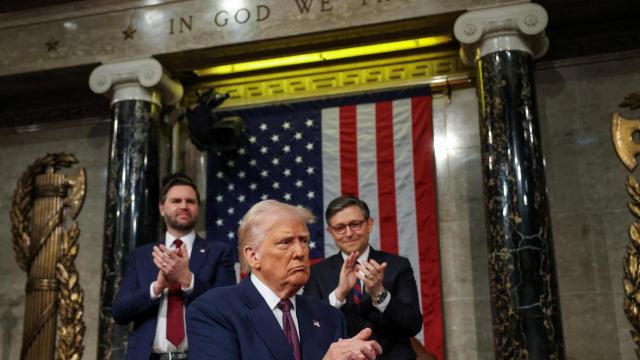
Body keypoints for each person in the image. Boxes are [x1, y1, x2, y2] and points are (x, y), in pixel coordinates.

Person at [186, 200, 383, 360]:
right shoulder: (214, 310)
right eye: (285, 242)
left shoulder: (330, 317)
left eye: (304, 241)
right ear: (253, 256)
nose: (300, 252)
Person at [112, 173, 236, 360]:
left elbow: (228, 308)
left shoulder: (219, 252)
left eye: (191, 201)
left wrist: (187, 279)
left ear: (198, 208)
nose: (184, 206)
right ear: (162, 208)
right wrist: (157, 288)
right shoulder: (141, 256)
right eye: (176, 200)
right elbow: (119, 312)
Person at [303, 195, 423, 359]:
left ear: (369, 224)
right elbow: (308, 326)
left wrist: (380, 294)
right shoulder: (316, 272)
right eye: (340, 227)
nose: (349, 233)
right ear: (330, 232)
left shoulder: (397, 266)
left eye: (355, 224)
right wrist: (339, 294)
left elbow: (413, 325)